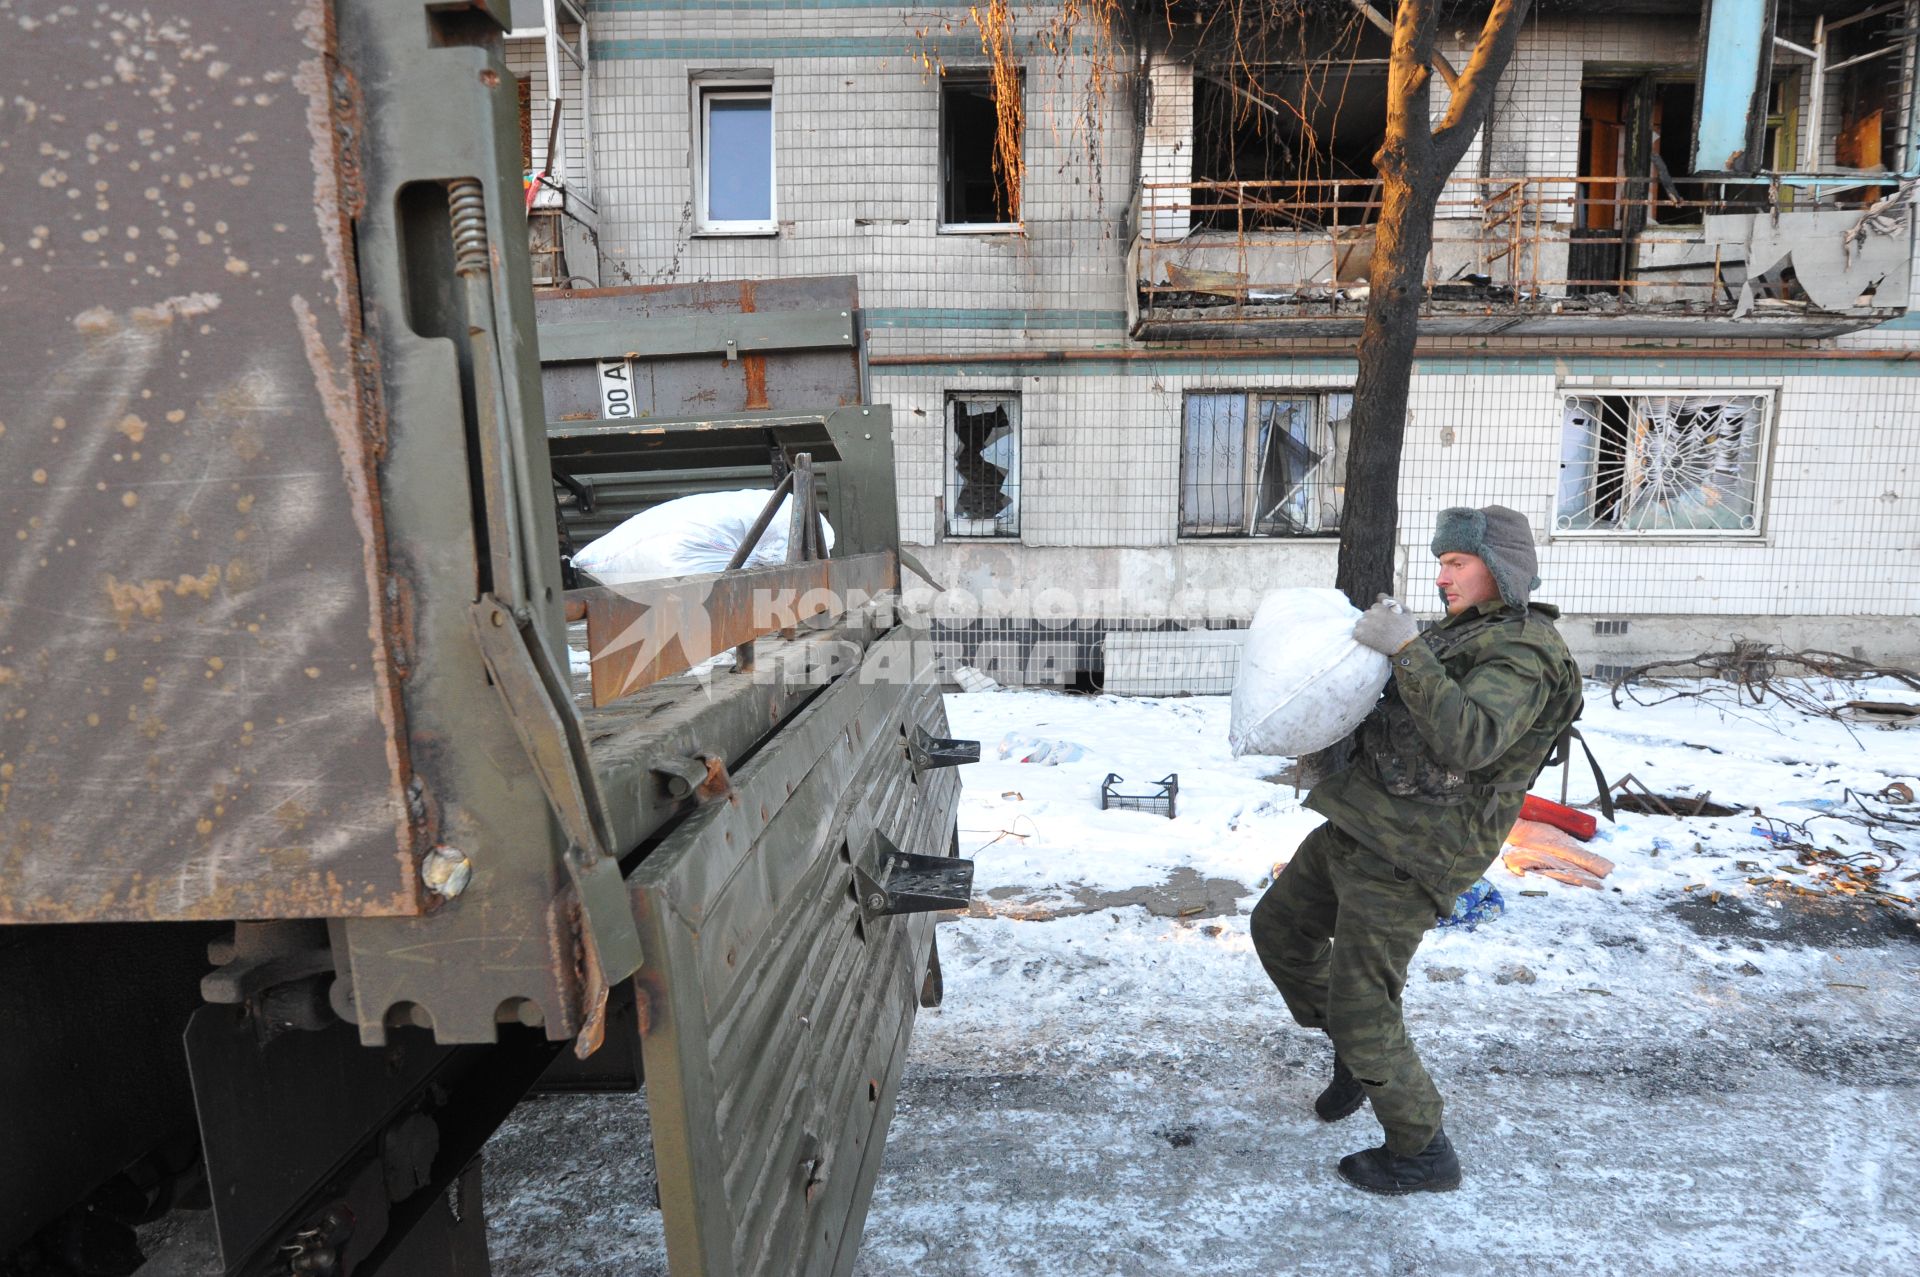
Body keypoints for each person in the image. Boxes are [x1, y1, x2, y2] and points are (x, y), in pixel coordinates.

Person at [1249, 505, 1584, 1194]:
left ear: (1502, 567)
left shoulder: (1525, 650)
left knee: (1364, 1002)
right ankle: (1355, 1048)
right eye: (1440, 562)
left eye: (1456, 562)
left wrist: (1408, 649)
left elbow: (1471, 738)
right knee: (1279, 927)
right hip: (1366, 821)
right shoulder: (1471, 632)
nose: (1442, 576)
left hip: (1417, 849)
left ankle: (1423, 1147)